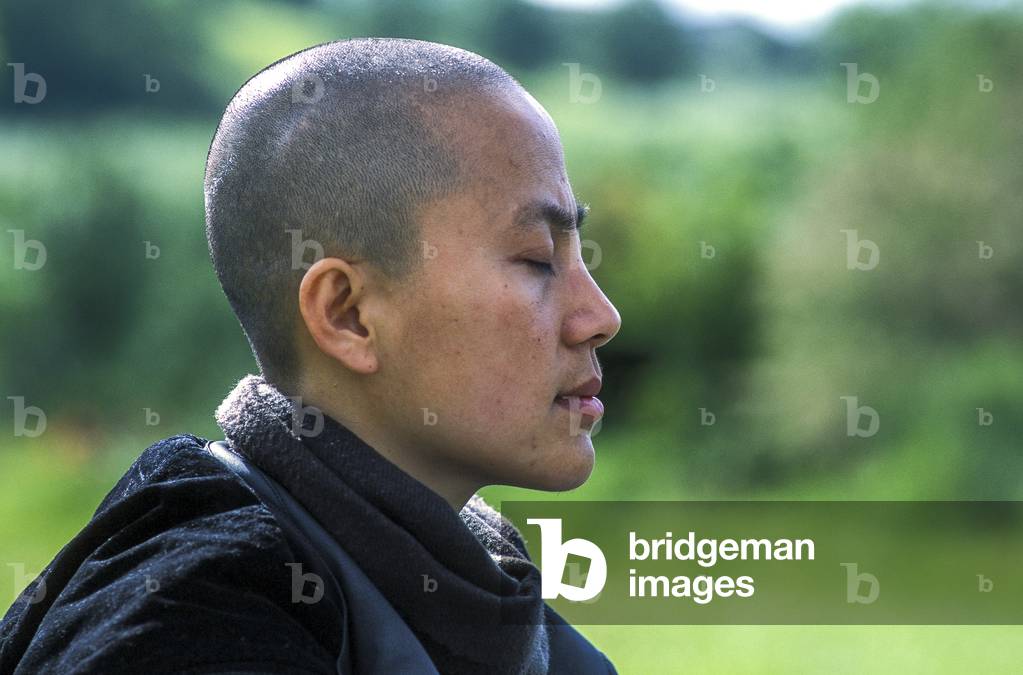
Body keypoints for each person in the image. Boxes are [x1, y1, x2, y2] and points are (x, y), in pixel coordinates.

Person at [0, 38, 621, 674]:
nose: (601, 318)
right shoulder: (189, 630)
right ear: (348, 315)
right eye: (537, 259)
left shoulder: (516, 621)